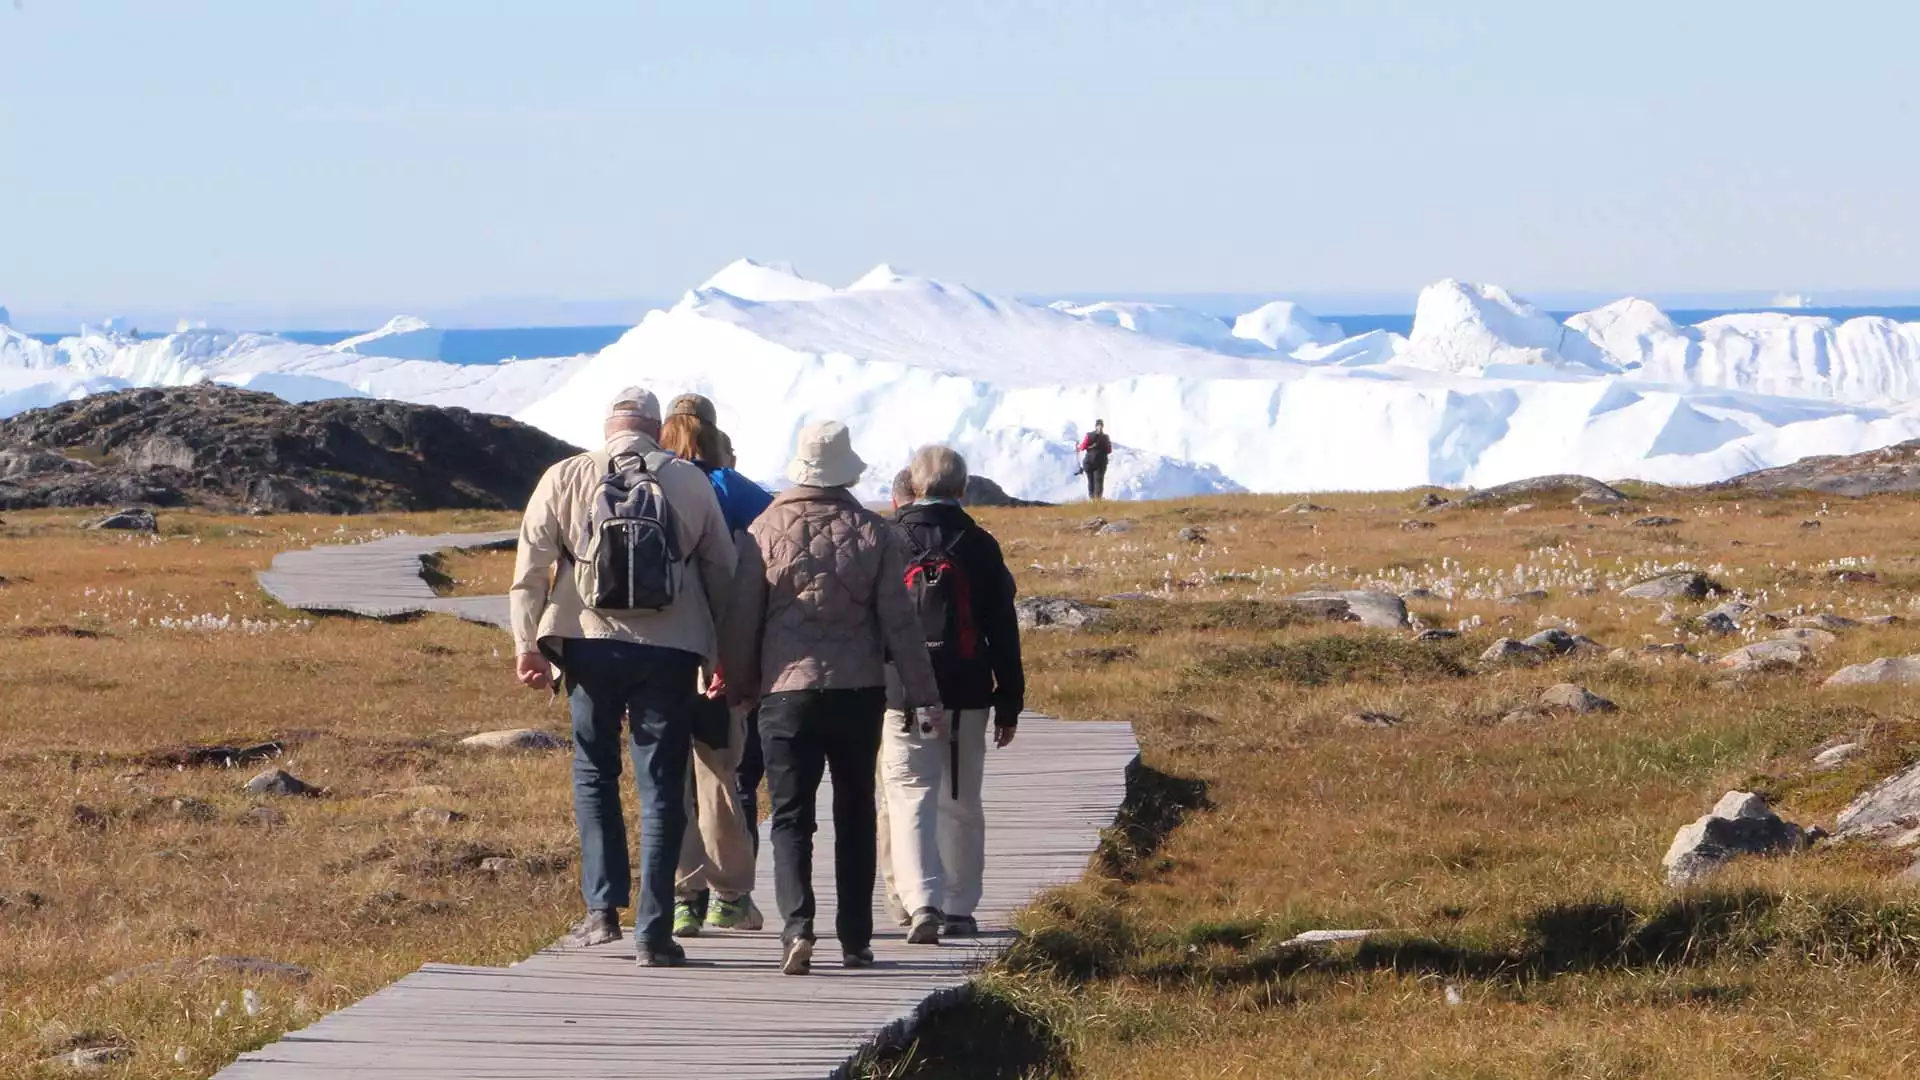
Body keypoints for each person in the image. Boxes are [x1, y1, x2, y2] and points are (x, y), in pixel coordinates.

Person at [509, 386, 737, 968]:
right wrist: (723, 655)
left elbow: (530, 570)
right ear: (657, 430)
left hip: (586, 643)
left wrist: (528, 646)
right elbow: (722, 573)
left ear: (608, 428)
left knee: (594, 771)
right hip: (672, 647)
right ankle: (655, 933)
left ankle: (601, 914)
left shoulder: (563, 476)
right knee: (662, 786)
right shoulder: (688, 481)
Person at [722, 421, 942, 976]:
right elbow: (900, 623)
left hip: (784, 693)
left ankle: (797, 928)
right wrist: (923, 696)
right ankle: (856, 939)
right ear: (845, 472)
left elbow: (742, 619)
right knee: (854, 811)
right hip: (858, 690)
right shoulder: (873, 532)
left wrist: (743, 689)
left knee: (791, 816)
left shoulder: (762, 529)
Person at [881, 445, 1024, 944]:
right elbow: (1003, 629)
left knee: (908, 798)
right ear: (961, 488)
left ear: (913, 487)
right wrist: (1009, 699)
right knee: (960, 799)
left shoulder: (890, 538)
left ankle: (922, 903)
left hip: (901, 694)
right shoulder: (981, 544)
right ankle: (960, 907)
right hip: (967, 692)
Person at [657, 411, 773, 937]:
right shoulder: (728, 486)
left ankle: (684, 899)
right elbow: (773, 541)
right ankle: (729, 897)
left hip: (652, 650)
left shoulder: (643, 481)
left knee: (669, 777)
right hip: (716, 650)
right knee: (719, 773)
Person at [1077, 420, 1112, 501]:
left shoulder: (1089, 436)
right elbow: (1109, 450)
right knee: (1098, 481)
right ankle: (1097, 500)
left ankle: (1092, 499)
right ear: (1103, 426)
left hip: (1088, 462)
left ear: (1095, 426)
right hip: (1101, 462)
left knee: (1091, 481)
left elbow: (1082, 447)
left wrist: (1082, 446)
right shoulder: (1106, 437)